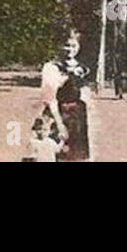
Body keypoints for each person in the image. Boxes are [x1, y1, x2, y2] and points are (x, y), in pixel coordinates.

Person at [40, 31, 92, 161]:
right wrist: (59, 124)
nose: (70, 50)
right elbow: (50, 98)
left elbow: (84, 95)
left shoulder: (82, 68)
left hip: (77, 117)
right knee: (57, 151)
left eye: (74, 46)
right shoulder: (52, 68)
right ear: (59, 46)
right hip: (59, 114)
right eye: (66, 45)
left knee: (77, 155)